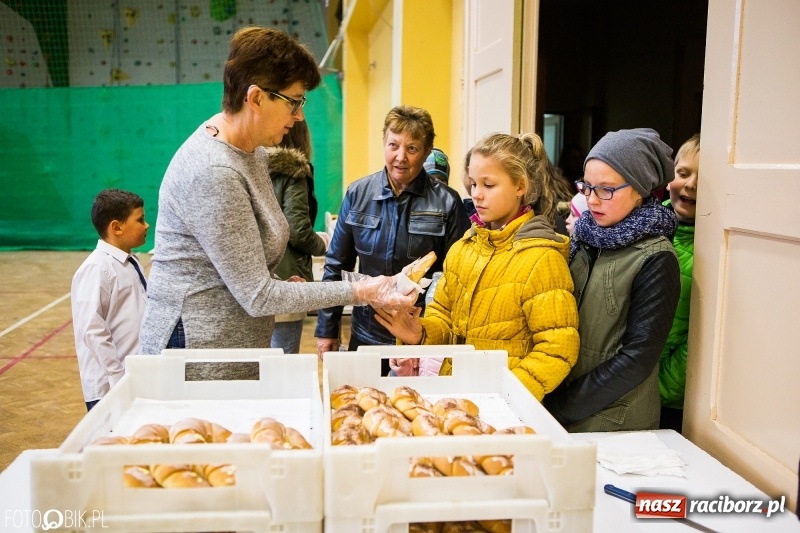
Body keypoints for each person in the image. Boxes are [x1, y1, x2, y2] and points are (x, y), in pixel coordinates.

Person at [138, 27, 416, 365]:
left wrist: (281, 283)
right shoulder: (215, 172)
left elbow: (236, 268)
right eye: (294, 101)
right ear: (255, 98)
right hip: (195, 350)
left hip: (228, 342)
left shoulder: (250, 151)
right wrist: (362, 290)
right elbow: (257, 296)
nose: (299, 115)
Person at [375, 132, 580, 401]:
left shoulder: (542, 258)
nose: (477, 195)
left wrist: (505, 394)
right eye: (473, 184)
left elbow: (557, 350)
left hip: (505, 410)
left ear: (521, 186)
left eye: (489, 185)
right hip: (455, 400)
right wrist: (421, 332)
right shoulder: (463, 248)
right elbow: (444, 318)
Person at [315, 105, 471, 375]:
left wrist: (433, 335)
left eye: (412, 148)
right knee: (361, 405)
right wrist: (326, 329)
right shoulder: (358, 194)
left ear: (426, 151)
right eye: (393, 145)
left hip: (418, 338)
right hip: (366, 334)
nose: (401, 157)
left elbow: (457, 278)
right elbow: (336, 266)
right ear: (384, 143)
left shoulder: (448, 202)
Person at [544, 128, 681, 432]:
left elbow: (637, 358)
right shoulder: (583, 239)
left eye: (606, 189)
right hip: (563, 410)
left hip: (616, 421)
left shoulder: (656, 258)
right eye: (586, 187)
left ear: (640, 189)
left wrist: (560, 408)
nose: (592, 200)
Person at [71, 189, 149, 411]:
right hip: (110, 389)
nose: (147, 226)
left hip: (133, 377)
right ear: (116, 227)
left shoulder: (130, 261)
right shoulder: (97, 268)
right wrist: (117, 379)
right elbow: (93, 331)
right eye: (140, 220)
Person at [268, 121, 330, 354]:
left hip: (255, 282)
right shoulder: (294, 171)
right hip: (287, 279)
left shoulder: (251, 165)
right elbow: (298, 231)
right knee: (283, 363)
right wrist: (323, 243)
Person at [659, 133, 700, 433]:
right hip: (628, 382)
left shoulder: (711, 251)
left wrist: (659, 387)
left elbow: (699, 340)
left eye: (703, 177)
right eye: (683, 173)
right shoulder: (644, 225)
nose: (691, 184)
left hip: (668, 396)